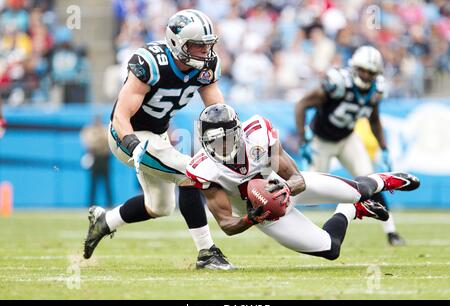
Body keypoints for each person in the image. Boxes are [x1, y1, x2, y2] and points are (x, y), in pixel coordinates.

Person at [83, 9, 234, 270]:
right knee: (190, 174)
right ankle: (207, 253)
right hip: (126, 134)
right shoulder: (150, 62)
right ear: (178, 43)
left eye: (207, 44)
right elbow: (121, 113)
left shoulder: (206, 65)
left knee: (159, 207)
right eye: (198, 45)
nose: (204, 51)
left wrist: (231, 136)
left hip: (158, 135)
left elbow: (217, 111)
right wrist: (130, 142)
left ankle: (104, 221)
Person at [186, 104, 419, 259]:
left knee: (360, 189)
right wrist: (254, 217)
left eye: (226, 139)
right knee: (331, 249)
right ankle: (350, 210)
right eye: (214, 141)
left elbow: (297, 178)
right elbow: (227, 224)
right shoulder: (204, 168)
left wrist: (285, 189)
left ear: (238, 133)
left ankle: (386, 180)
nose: (221, 146)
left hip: (284, 187)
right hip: (267, 215)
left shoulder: (258, 133)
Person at [295, 45, 406, 246]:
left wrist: (384, 147)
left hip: (347, 139)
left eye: (370, 72)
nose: (365, 75)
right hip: (322, 140)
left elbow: (374, 119)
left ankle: (392, 232)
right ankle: (285, 221)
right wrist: (304, 138)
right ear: (354, 67)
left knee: (372, 181)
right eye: (362, 69)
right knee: (310, 195)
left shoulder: (376, 90)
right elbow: (302, 104)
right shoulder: (338, 83)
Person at [80, 115, 113, 208]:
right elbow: (88, 142)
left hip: (104, 158)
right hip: (94, 157)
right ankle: (91, 204)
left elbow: (108, 141)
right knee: (93, 183)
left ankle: (109, 203)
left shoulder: (105, 129)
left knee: (107, 182)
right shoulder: (89, 129)